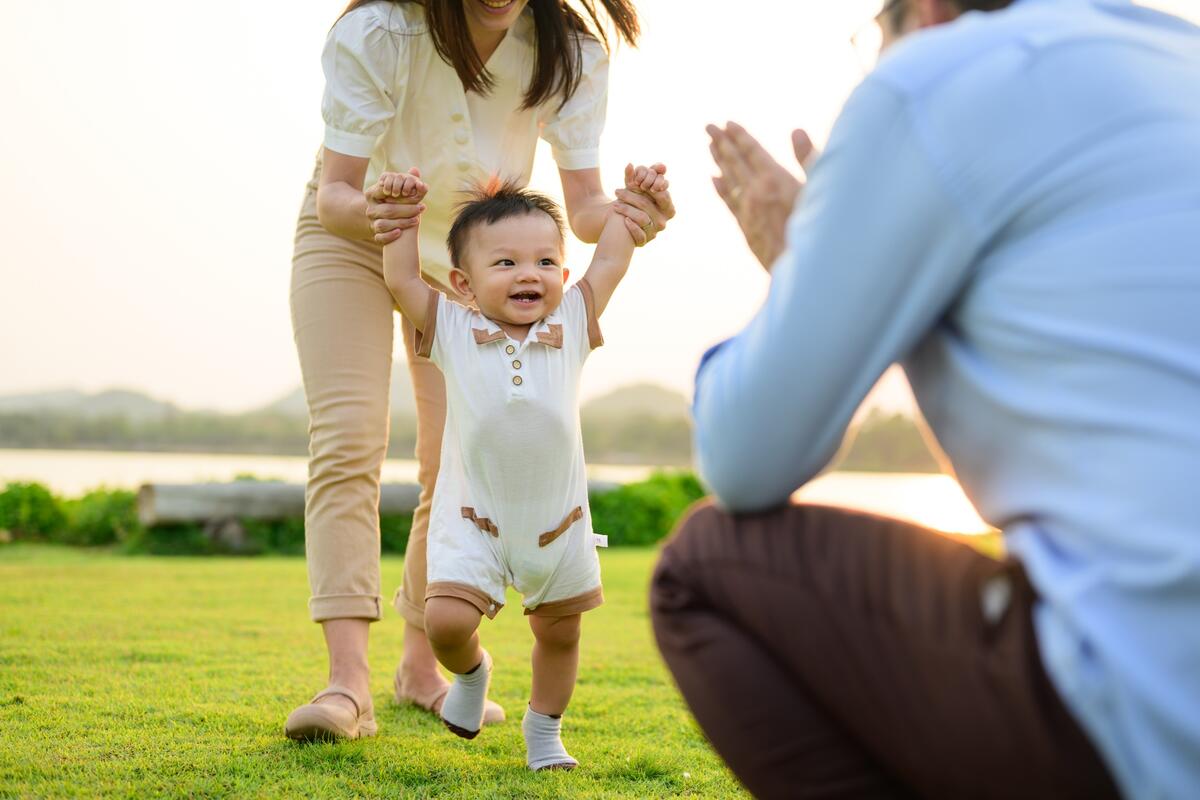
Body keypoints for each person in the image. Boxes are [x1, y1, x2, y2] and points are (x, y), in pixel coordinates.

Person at [649, 0, 1200, 798]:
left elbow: (744, 458)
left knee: (702, 566)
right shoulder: (1175, 55)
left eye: (873, 33)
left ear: (925, 13)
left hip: (1151, 704)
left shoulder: (930, 80)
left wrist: (801, 269)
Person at [285, 0, 674, 742]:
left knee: (449, 460)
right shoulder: (379, 32)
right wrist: (385, 208)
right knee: (349, 435)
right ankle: (345, 685)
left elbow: (586, 208)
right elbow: (338, 188)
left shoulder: (569, 52)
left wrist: (633, 214)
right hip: (356, 231)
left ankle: (421, 667)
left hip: (476, 267)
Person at [374, 165, 663, 769]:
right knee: (445, 622)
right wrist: (401, 218)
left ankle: (544, 730)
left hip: (556, 523)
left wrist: (633, 204)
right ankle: (473, 676)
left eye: (545, 262)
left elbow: (607, 263)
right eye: (505, 263)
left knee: (560, 634)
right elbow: (402, 280)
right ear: (465, 283)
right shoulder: (453, 327)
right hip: (474, 520)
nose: (529, 273)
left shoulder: (572, 323)